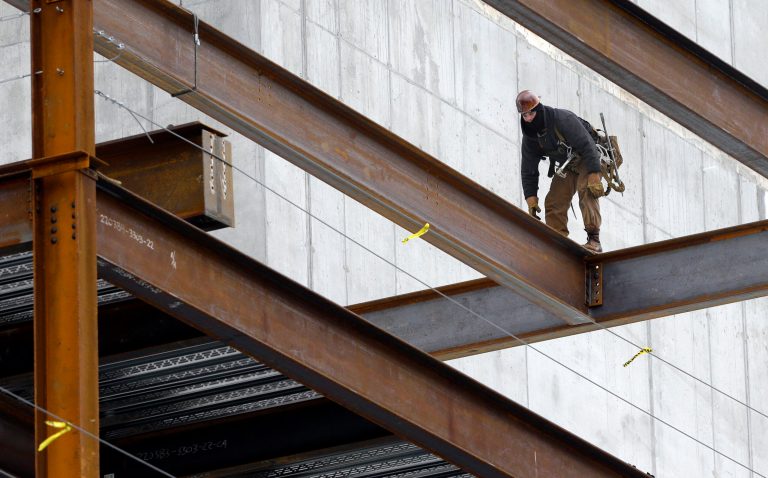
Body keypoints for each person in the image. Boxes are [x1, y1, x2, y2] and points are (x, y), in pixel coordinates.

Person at [517, 90, 605, 252]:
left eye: (531, 113)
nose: (528, 118)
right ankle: (557, 245)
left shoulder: (563, 119)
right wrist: (531, 199)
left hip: (588, 158)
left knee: (586, 189)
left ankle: (594, 240)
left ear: (539, 109)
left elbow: (588, 146)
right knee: (553, 201)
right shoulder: (530, 138)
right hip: (569, 164)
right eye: (525, 115)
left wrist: (593, 174)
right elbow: (528, 169)